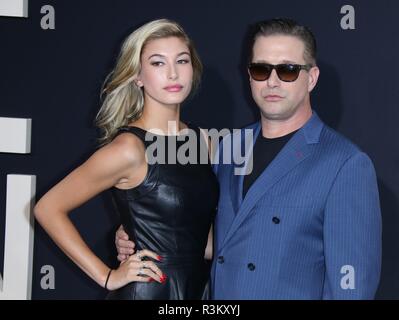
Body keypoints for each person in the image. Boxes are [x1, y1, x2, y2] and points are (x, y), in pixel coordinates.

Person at [116, 18, 382, 299]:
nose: (272, 81)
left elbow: (352, 290)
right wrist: (141, 230)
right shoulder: (226, 147)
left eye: (288, 70)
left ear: (312, 78)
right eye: (261, 69)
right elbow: (214, 239)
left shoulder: (345, 164)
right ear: (249, 75)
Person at [34, 19, 219, 300]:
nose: (172, 73)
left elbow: (199, 236)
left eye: (181, 61)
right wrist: (107, 276)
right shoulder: (128, 149)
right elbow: (48, 208)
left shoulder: (204, 141)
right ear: (138, 76)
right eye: (157, 63)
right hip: (147, 292)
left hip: (200, 291)